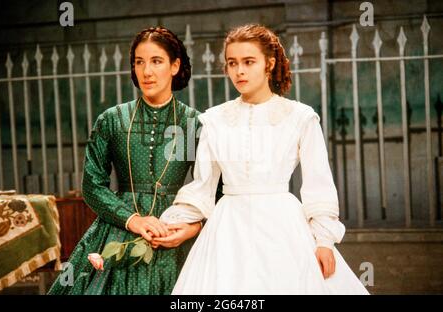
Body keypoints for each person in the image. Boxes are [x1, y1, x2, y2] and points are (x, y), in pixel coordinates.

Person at [156, 24, 369, 294]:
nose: (239, 71)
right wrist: (171, 223)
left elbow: (319, 184)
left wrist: (324, 241)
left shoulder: (300, 117)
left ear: (269, 63)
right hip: (228, 229)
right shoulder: (214, 120)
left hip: (283, 226)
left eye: (248, 62)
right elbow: (203, 185)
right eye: (232, 63)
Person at [48, 26, 203, 295]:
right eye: (139, 62)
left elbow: (213, 187)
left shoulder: (192, 124)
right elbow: (92, 185)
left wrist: (191, 228)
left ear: (175, 66)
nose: (146, 72)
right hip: (119, 226)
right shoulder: (112, 120)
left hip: (173, 230)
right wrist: (132, 219)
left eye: (156, 61)